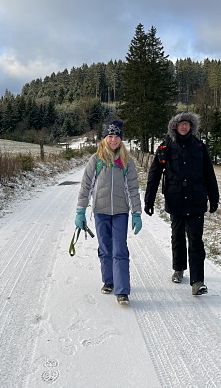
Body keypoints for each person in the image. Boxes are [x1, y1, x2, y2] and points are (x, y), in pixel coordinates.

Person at [144, 112, 219, 295]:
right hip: (175, 198)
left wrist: (214, 198)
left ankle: (197, 281)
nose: (184, 127)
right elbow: (154, 174)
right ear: (175, 127)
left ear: (191, 127)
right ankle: (179, 268)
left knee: (195, 240)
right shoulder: (166, 147)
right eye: (180, 124)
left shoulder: (200, 147)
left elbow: (209, 174)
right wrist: (149, 200)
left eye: (187, 124)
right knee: (177, 236)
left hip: (196, 200)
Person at [75, 119, 142, 306]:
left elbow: (133, 188)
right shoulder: (96, 160)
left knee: (120, 249)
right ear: (105, 138)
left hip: (121, 212)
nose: (113, 140)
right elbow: (86, 186)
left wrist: (136, 213)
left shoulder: (126, 161)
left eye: (117, 136)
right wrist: (80, 211)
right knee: (105, 247)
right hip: (100, 211)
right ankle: (109, 281)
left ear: (121, 138)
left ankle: (122, 291)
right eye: (110, 136)